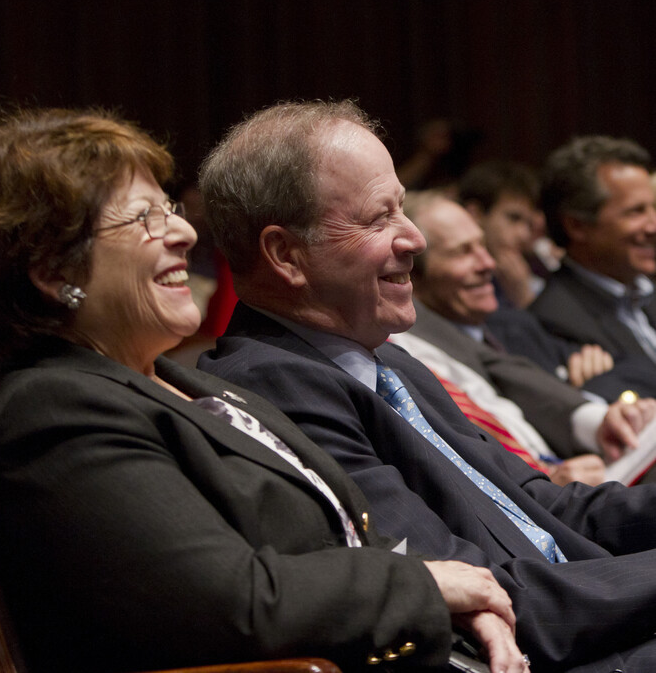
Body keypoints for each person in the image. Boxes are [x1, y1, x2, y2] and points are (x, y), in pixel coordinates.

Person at [0, 108, 525, 673]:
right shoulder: (57, 412)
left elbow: (350, 535)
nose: (184, 232)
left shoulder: (179, 382)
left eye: (170, 207)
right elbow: (230, 602)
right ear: (53, 271)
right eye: (144, 218)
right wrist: (427, 585)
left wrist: (468, 602)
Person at [197, 99, 656, 673]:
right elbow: (482, 590)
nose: (414, 238)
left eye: (403, 210)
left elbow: (546, 508)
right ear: (286, 254)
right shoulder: (272, 391)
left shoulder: (387, 360)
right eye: (377, 218)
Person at [394, 191, 656, 484]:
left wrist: (603, 414)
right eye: (462, 252)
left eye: (483, 245)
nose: (487, 263)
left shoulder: (513, 324)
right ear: (412, 275)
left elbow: (635, 370)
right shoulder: (411, 354)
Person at [530, 135, 656, 369]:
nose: (653, 226)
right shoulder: (555, 322)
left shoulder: (645, 292)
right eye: (635, 212)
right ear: (577, 226)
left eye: (653, 208)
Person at [458, 161, 544, 308]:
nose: (524, 235)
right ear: (476, 214)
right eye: (513, 218)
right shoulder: (453, 276)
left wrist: (524, 296)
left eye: (528, 224)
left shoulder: (527, 275)